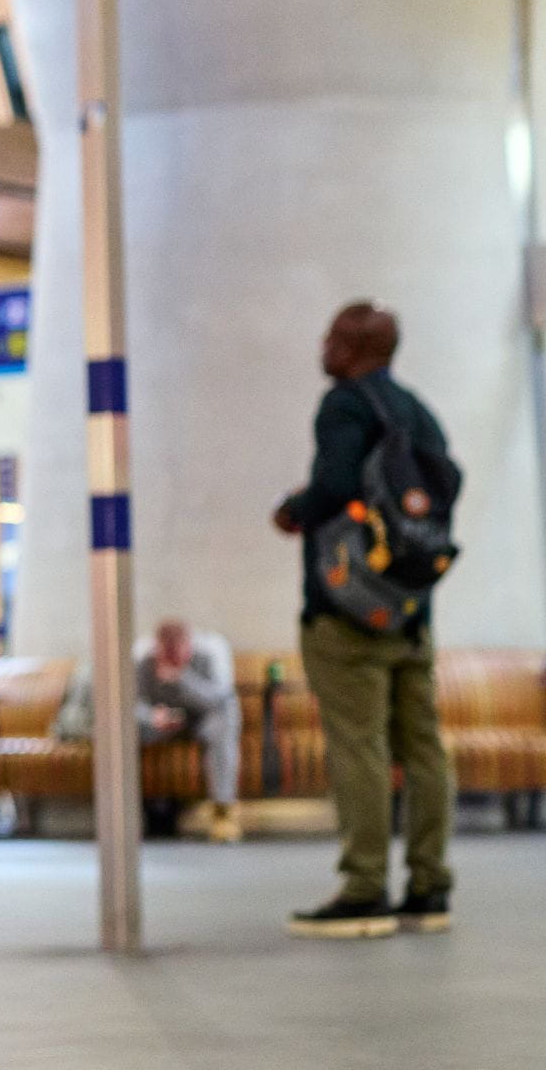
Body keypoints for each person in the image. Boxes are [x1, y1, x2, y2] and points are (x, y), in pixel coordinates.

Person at [274, 301, 457, 938]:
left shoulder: (345, 405)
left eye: (330, 337)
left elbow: (334, 484)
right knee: (424, 746)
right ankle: (431, 888)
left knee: (360, 745)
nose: (322, 346)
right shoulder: (419, 412)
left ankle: (365, 888)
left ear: (352, 347)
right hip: (411, 608)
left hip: (349, 608)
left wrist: (293, 508)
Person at [52, 619, 242, 842]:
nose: (171, 661)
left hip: (200, 720)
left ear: (188, 647)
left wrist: (182, 679)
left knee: (226, 721)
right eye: (165, 655)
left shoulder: (208, 655)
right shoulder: (145, 661)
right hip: (159, 724)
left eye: (177, 655)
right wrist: (152, 717)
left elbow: (220, 700)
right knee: (122, 728)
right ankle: (125, 812)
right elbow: (130, 702)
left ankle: (223, 810)